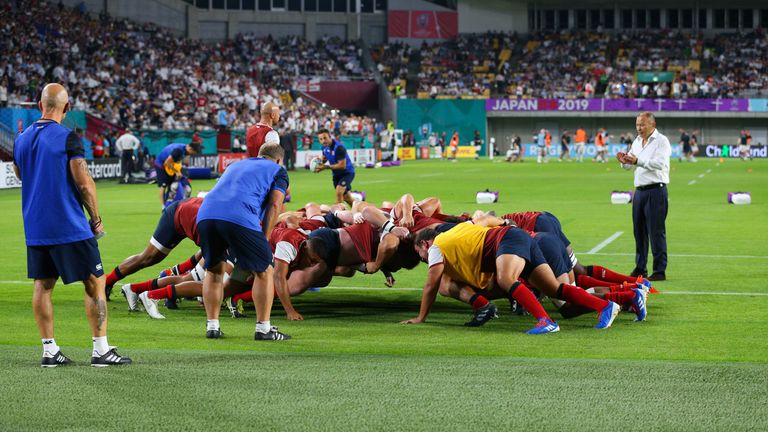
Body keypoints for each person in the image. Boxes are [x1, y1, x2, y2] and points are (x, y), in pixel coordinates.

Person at [12, 83, 131, 367]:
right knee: (95, 280)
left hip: (36, 226)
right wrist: (95, 217)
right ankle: (100, 350)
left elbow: (19, 172)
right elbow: (84, 182)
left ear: (40, 104)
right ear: (66, 108)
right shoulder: (68, 138)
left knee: (43, 284)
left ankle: (49, 350)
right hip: (68, 224)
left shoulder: (21, 139)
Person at [196, 143, 290, 340]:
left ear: (258, 155)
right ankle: (263, 329)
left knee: (213, 270)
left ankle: (212, 327)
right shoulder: (278, 170)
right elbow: (275, 204)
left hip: (205, 215)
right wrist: (264, 239)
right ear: (280, 160)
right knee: (264, 270)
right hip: (239, 216)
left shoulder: (235, 165)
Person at [104, 197, 204, 301]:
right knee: (148, 257)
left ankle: (171, 279)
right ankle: (108, 281)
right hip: (178, 214)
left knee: (209, 268)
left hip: (192, 215)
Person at [617, 112, 671, 281]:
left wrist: (636, 161)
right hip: (639, 192)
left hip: (656, 190)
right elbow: (630, 165)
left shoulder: (662, 141)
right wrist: (623, 161)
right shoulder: (637, 141)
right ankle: (641, 268)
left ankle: (659, 270)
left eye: (642, 125)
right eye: (637, 125)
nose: (639, 128)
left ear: (652, 125)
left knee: (656, 231)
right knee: (639, 232)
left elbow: (659, 164)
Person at [153, 139, 201, 206]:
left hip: (170, 166)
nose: (191, 154)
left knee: (172, 184)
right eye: (192, 153)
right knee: (163, 185)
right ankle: (163, 206)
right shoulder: (178, 150)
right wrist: (177, 172)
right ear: (190, 148)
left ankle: (169, 203)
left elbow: (177, 161)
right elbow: (167, 162)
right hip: (161, 165)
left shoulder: (184, 149)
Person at [315, 128, 356, 206]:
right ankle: (360, 212)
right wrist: (318, 164)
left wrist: (325, 167)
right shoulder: (324, 147)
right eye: (321, 139)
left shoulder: (339, 147)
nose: (323, 141)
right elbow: (324, 158)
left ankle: (338, 216)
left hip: (347, 173)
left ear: (330, 137)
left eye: (325, 138)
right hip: (336, 175)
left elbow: (342, 165)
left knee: (338, 192)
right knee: (347, 198)